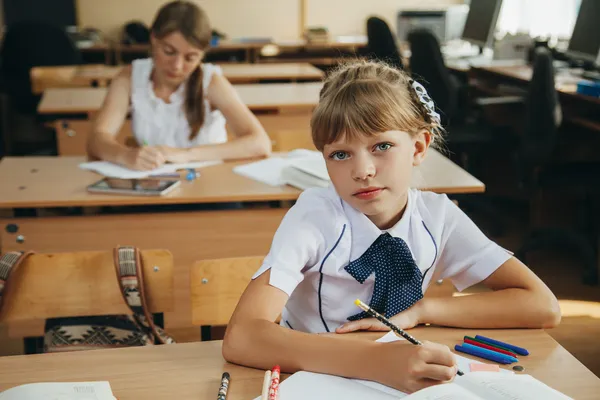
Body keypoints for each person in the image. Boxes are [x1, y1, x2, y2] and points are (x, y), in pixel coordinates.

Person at [222, 60, 561, 394]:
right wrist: (376, 361)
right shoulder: (314, 217)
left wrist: (422, 311)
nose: (362, 170)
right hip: (314, 378)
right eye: (340, 155)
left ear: (418, 146)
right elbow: (243, 337)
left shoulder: (437, 216)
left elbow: (542, 305)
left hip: (400, 378)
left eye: (381, 146)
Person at [88, 1, 271, 170]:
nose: (177, 66)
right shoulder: (130, 78)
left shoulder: (212, 82)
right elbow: (96, 140)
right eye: (168, 52)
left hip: (209, 184)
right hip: (153, 181)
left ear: (202, 55)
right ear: (153, 39)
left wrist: (185, 155)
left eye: (190, 58)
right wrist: (125, 155)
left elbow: (260, 143)